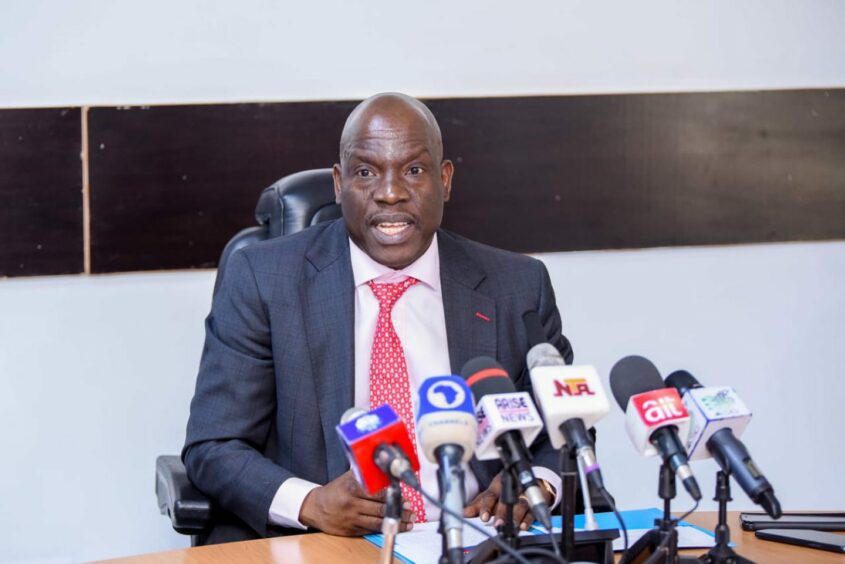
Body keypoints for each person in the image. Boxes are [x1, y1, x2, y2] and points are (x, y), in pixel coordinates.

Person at [183, 93, 574, 544]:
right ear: (339, 182)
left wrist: (534, 483)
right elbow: (214, 446)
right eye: (366, 172)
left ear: (444, 180)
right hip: (329, 545)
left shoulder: (518, 286)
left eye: (414, 170)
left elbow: (563, 429)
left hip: (481, 541)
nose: (390, 193)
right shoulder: (264, 281)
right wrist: (311, 503)